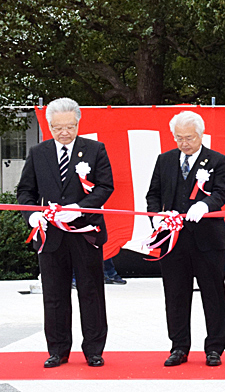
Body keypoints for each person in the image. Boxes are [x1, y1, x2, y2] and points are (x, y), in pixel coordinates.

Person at [17, 97, 113, 368]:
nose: (64, 132)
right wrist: (32, 214)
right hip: (50, 235)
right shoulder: (38, 152)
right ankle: (57, 350)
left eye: (69, 126)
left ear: (78, 122)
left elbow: (106, 187)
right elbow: (25, 191)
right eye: (57, 128)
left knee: (91, 292)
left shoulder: (95, 149)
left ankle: (94, 350)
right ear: (49, 126)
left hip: (85, 232)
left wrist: (79, 208)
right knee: (55, 294)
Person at [146, 111, 225, 367]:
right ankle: (179, 346)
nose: (184, 143)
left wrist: (205, 205)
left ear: (201, 135)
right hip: (172, 240)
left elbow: (221, 192)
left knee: (213, 294)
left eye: (189, 138)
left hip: (208, 241)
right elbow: (153, 194)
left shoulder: (216, 160)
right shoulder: (165, 160)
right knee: (175, 294)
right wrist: (155, 217)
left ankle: (214, 347)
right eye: (179, 138)